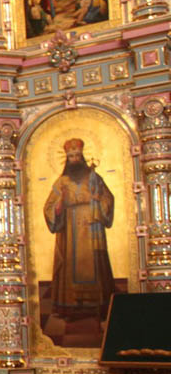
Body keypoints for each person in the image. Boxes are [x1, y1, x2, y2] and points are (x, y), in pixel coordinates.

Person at [43, 137, 115, 322]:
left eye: (77, 155)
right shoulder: (62, 182)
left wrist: (99, 200)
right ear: (67, 159)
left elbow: (108, 198)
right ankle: (71, 306)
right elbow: (49, 207)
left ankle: (98, 306)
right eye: (71, 156)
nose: (74, 159)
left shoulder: (94, 177)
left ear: (82, 157)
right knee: (70, 264)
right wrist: (59, 205)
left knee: (94, 264)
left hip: (92, 227)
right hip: (70, 230)